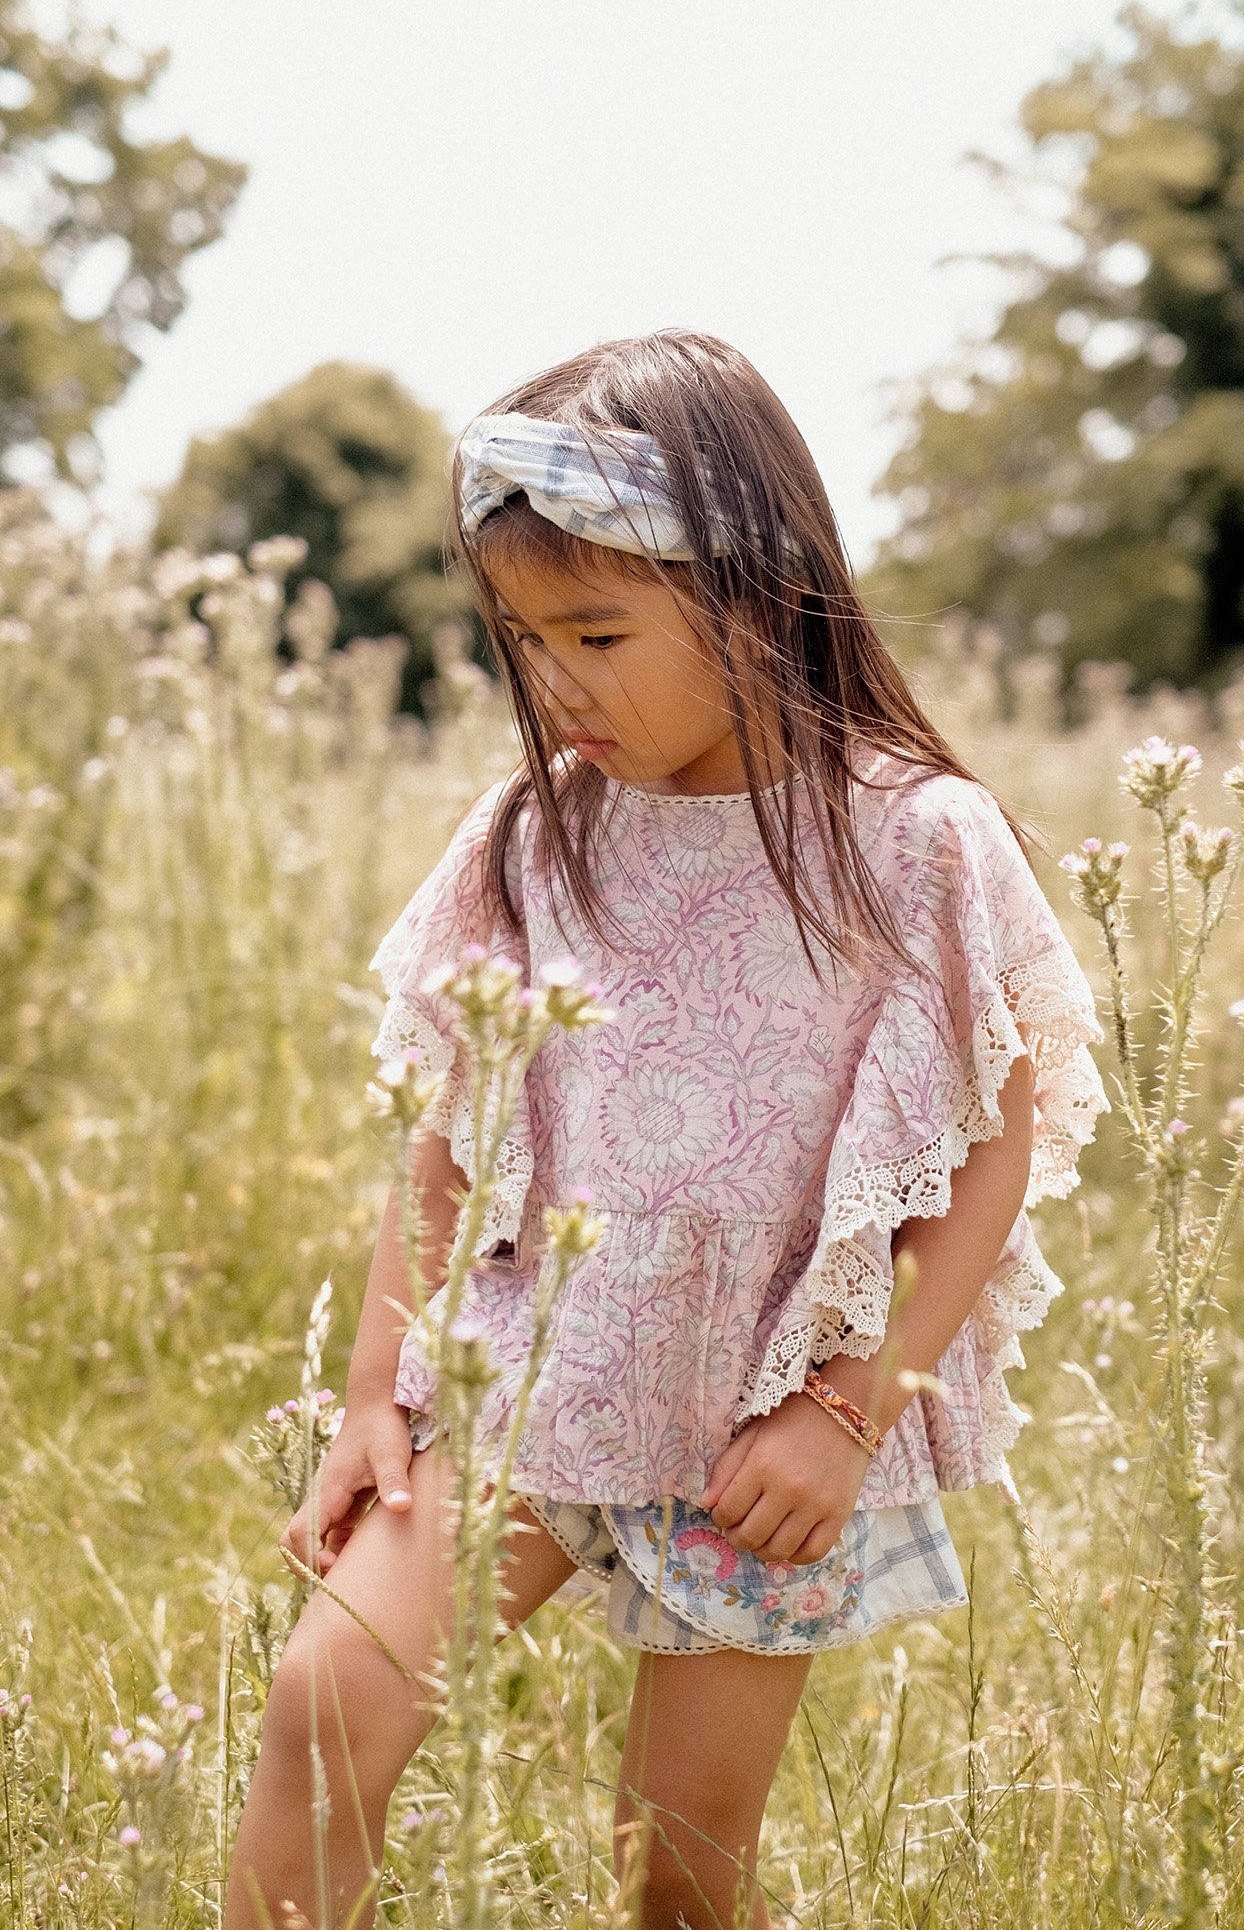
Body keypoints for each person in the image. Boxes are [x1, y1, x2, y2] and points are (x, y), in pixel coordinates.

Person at [225, 330, 1106, 1930]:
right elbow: (449, 1130)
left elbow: (989, 1150)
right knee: (324, 1713)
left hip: (758, 1420)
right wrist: (377, 1391)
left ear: (763, 595)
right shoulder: (536, 833)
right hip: (527, 1369)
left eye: (599, 630)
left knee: (679, 1858)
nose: (557, 684)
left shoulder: (910, 839)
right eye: (523, 638)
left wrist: (843, 1411)